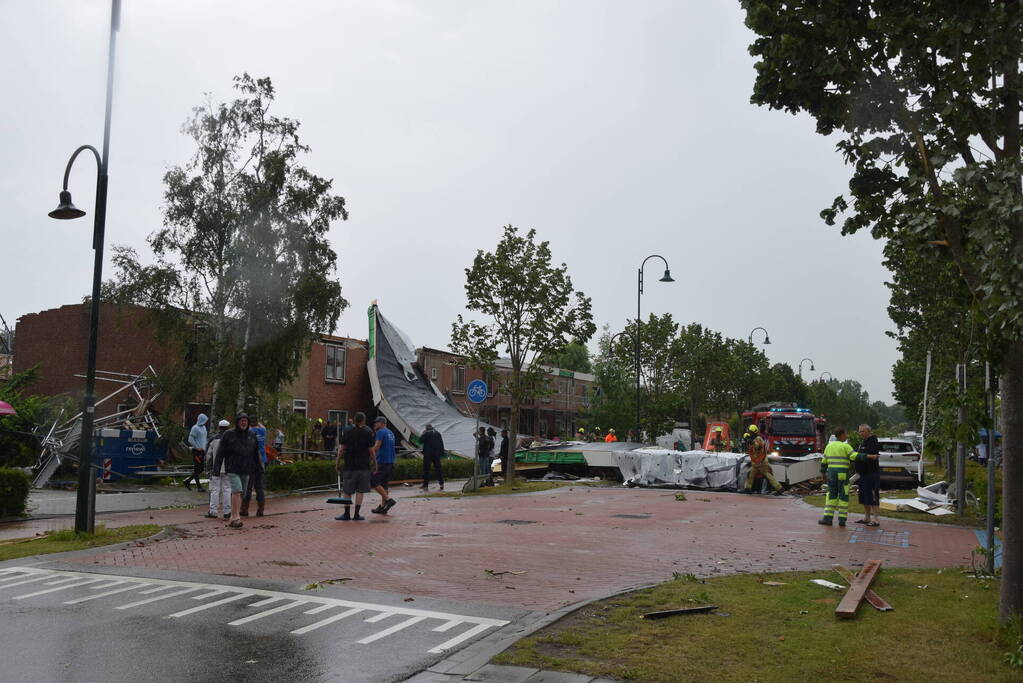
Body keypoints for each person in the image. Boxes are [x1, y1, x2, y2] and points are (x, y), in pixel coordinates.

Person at [213, 412, 261, 529]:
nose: (243, 423)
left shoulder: (252, 435)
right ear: (237, 422)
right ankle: (236, 517)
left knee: (242, 493)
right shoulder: (229, 434)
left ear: (248, 423)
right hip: (233, 467)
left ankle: (232, 518)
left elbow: (256, 453)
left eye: (245, 421)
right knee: (237, 490)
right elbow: (220, 452)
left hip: (246, 468)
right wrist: (217, 469)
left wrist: (259, 467)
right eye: (241, 421)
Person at [335, 412, 375, 521]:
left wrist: (337, 462)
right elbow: (371, 451)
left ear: (355, 420)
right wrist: (375, 464)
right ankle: (357, 515)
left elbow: (342, 449)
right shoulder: (368, 432)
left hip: (349, 465)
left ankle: (346, 514)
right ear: (363, 420)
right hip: (363, 466)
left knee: (347, 491)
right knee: (360, 491)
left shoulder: (347, 431)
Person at [818, 428, 856, 527]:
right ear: (842, 435)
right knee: (843, 495)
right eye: (846, 434)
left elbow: (823, 463)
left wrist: (823, 474)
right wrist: (868, 456)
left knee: (831, 495)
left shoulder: (829, 446)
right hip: (843, 474)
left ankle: (827, 519)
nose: (847, 436)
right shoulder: (845, 446)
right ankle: (842, 520)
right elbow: (855, 456)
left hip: (831, 474)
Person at [855, 424, 882, 526]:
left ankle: (876, 519)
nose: (860, 433)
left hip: (872, 473)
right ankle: (867, 517)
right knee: (864, 495)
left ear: (868, 431)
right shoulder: (862, 442)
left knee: (873, 495)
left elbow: (870, 455)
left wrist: (860, 456)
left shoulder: (873, 441)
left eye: (863, 431)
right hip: (863, 474)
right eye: (860, 431)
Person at [204, 419, 232, 519]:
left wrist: (207, 468)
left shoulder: (213, 439)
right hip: (228, 468)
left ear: (219, 427)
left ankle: (213, 511)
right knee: (227, 490)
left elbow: (208, 456)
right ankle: (227, 511)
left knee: (215, 490)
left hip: (216, 468)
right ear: (228, 428)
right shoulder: (232, 439)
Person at [744, 424, 783, 495]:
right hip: (756, 462)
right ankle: (747, 488)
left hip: (761, 462)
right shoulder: (754, 439)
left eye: (750, 432)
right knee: (751, 475)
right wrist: (748, 441)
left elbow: (758, 447)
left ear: (753, 432)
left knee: (767, 475)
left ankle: (779, 488)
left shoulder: (758, 439)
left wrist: (751, 442)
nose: (749, 433)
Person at [371, 416, 398, 514]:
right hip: (390, 462)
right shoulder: (391, 433)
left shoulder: (380, 432)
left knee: (373, 481)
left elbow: (377, 446)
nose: (375, 424)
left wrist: (369, 454)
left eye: (376, 422)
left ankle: (388, 500)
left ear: (382, 423)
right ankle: (383, 507)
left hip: (382, 461)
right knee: (384, 484)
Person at [242, 420, 268, 517]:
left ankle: (244, 509)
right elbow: (263, 426)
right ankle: (260, 510)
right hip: (262, 461)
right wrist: (259, 423)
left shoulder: (249, 432)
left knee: (248, 486)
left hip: (251, 462)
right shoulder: (262, 430)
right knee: (259, 486)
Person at [185, 413, 208, 492]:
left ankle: (187, 481)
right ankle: (199, 487)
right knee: (198, 469)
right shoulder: (195, 428)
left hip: (203, 451)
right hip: (197, 452)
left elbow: (204, 439)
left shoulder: (204, 427)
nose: (205, 422)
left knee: (200, 469)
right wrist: (197, 447)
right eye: (204, 420)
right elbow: (190, 439)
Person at [420, 423, 445, 491]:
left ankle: (425, 485)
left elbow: (420, 441)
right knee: (438, 469)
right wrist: (442, 453)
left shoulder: (426, 434)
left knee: (426, 470)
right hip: (436, 455)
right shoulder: (438, 433)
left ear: (426, 428)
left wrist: (422, 434)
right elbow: (441, 443)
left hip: (428, 455)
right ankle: (441, 484)